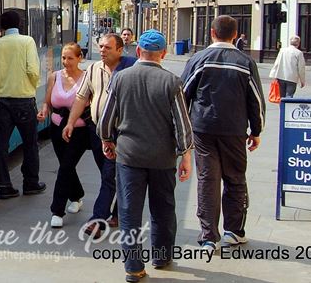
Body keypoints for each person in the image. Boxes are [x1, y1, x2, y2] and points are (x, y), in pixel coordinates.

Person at [98, 29, 194, 282]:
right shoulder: (172, 82)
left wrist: (107, 140)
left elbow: (106, 119)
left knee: (129, 211)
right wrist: (185, 155)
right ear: (162, 54)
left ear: (138, 51)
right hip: (162, 159)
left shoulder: (121, 78)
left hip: (129, 157)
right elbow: (182, 124)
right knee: (163, 209)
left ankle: (133, 267)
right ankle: (161, 256)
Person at [181, 15, 265, 251]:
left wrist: (182, 130)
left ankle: (208, 236)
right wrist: (256, 130)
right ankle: (234, 231)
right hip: (234, 130)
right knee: (235, 178)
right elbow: (256, 99)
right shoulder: (245, 62)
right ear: (235, 35)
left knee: (207, 180)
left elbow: (183, 94)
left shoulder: (199, 59)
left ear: (211, 33)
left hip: (203, 128)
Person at [63, 32, 137, 238]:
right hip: (97, 132)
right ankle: (117, 214)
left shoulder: (132, 68)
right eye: (101, 46)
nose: (102, 50)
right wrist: (70, 123)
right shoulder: (94, 69)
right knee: (112, 176)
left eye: (108, 47)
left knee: (109, 176)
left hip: (123, 134)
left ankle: (97, 220)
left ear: (120, 50)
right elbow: (81, 97)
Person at [0, 10, 44, 199]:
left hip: (4, 101)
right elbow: (33, 70)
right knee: (30, 144)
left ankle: (4, 186)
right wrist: (30, 86)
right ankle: (31, 182)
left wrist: (1, 87)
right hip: (24, 100)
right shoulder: (27, 42)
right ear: (19, 24)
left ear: (2, 25)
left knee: (2, 145)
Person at [37, 43, 89, 228]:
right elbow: (47, 102)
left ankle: (57, 211)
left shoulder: (87, 78)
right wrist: (43, 111)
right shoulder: (55, 76)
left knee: (66, 167)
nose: (66, 62)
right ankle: (77, 196)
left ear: (79, 58)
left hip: (79, 130)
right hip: (57, 128)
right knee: (66, 165)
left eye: (70, 58)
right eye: (64, 58)